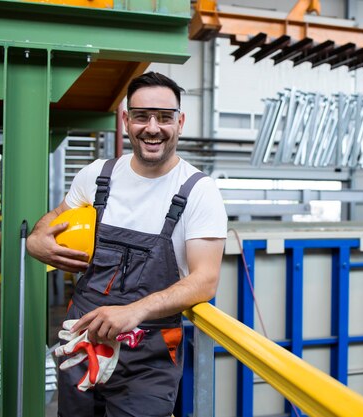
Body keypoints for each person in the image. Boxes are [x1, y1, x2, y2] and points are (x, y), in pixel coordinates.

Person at [26, 72, 227, 417]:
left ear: (180, 122)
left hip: (147, 360)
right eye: (141, 116)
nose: (152, 127)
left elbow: (205, 279)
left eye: (164, 117)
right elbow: (54, 219)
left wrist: (135, 311)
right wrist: (34, 242)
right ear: (126, 120)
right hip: (83, 343)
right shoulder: (97, 175)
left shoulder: (198, 191)